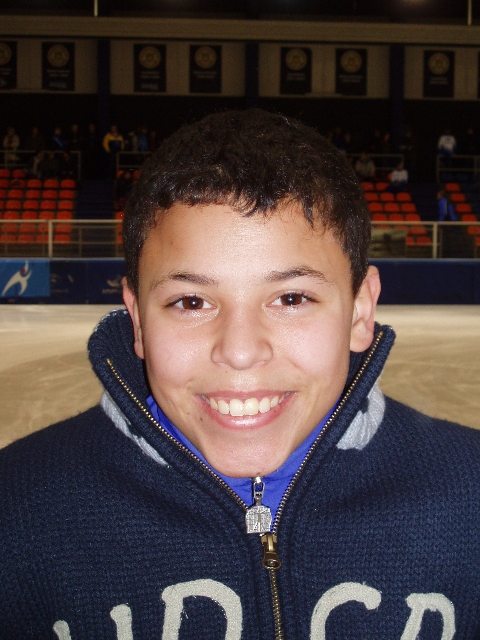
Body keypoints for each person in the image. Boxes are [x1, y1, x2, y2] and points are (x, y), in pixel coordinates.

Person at [1, 109, 480, 639]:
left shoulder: (470, 494)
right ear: (137, 320)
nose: (240, 351)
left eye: (291, 298)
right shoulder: (17, 507)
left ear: (360, 312)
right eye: (191, 302)